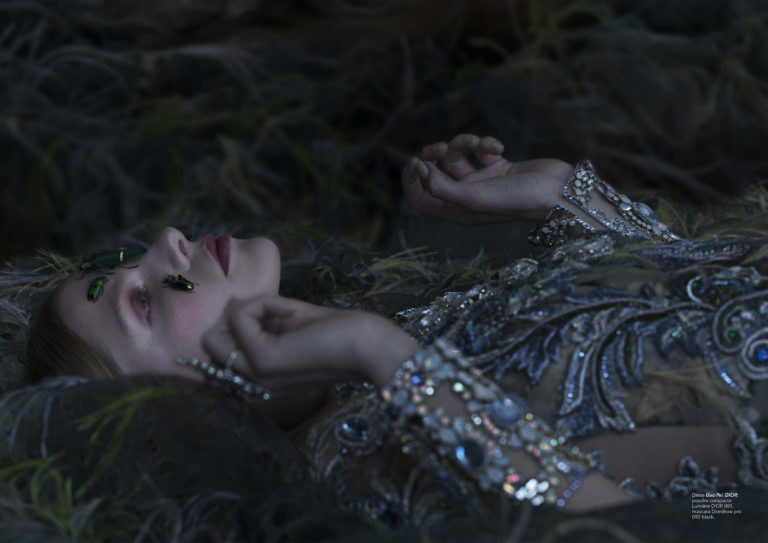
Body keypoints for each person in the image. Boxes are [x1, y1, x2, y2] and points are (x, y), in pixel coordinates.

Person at [20, 134, 767, 526]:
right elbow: (688, 517)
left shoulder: (392, 334)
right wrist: (386, 356)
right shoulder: (349, 474)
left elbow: (698, 301)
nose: (169, 240)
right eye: (145, 302)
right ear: (176, 419)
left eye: (130, 260)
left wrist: (565, 201)